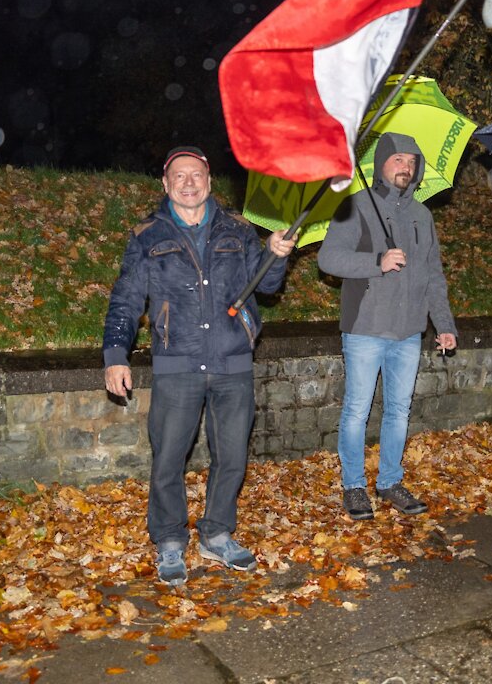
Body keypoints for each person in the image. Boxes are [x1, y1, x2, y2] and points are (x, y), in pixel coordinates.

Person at [103, 146, 296, 586]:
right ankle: (170, 539)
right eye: (179, 176)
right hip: (178, 363)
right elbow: (126, 300)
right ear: (166, 184)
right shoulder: (147, 235)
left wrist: (275, 253)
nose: (189, 183)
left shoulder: (239, 231)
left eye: (196, 175)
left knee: (232, 456)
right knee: (169, 457)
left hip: (233, 363)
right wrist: (116, 355)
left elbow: (264, 286)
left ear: (209, 182)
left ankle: (217, 533)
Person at [317, 132, 458, 521]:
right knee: (357, 410)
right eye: (398, 160)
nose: (406, 167)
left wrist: (443, 324)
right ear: (381, 164)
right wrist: (375, 261)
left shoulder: (422, 215)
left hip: (409, 330)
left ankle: (390, 480)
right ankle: (354, 486)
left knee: (399, 410)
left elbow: (433, 274)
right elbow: (328, 259)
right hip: (365, 326)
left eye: (412, 162)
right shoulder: (356, 206)